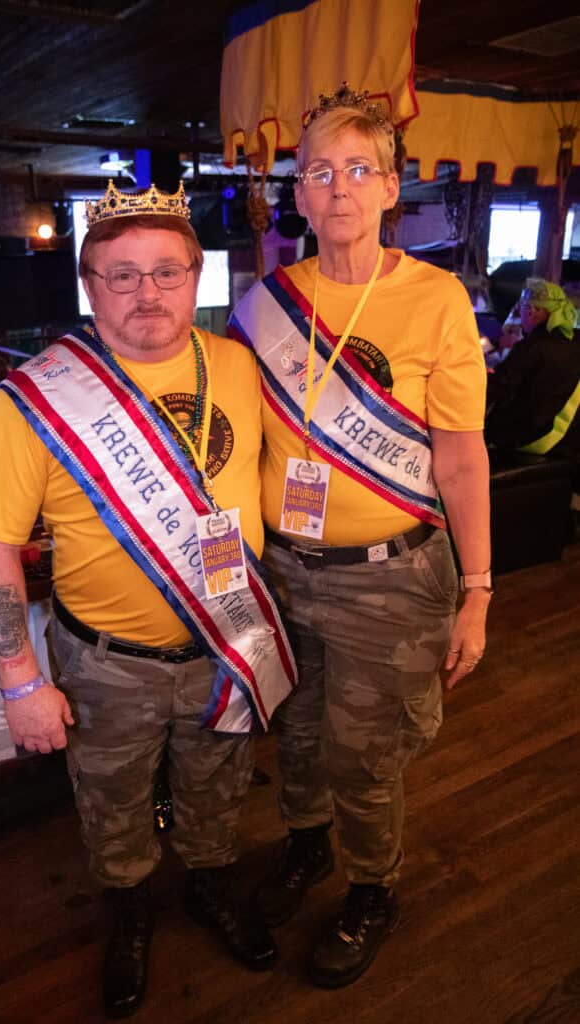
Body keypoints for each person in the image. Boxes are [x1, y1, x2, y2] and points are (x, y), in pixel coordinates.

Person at [0, 180, 296, 1019]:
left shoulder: (239, 366)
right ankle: (131, 912)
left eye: (166, 272)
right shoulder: (35, 399)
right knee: (113, 806)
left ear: (196, 275)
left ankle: (209, 886)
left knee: (215, 789)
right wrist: (23, 681)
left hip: (225, 643)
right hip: (107, 667)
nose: (148, 292)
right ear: (89, 286)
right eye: (122, 274)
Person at [229, 84, 491, 990]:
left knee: (363, 751)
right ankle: (305, 849)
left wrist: (480, 590)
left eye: (356, 170)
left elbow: (461, 457)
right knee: (294, 732)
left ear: (389, 186)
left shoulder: (434, 299)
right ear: (298, 195)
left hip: (391, 576)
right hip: (283, 569)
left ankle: (373, 887)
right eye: (317, 172)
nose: (336, 188)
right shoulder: (263, 306)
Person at [485, 279, 579, 456]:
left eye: (522, 307)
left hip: (532, 439)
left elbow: (498, 387)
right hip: (568, 439)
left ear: (533, 311)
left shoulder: (532, 347)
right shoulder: (574, 344)